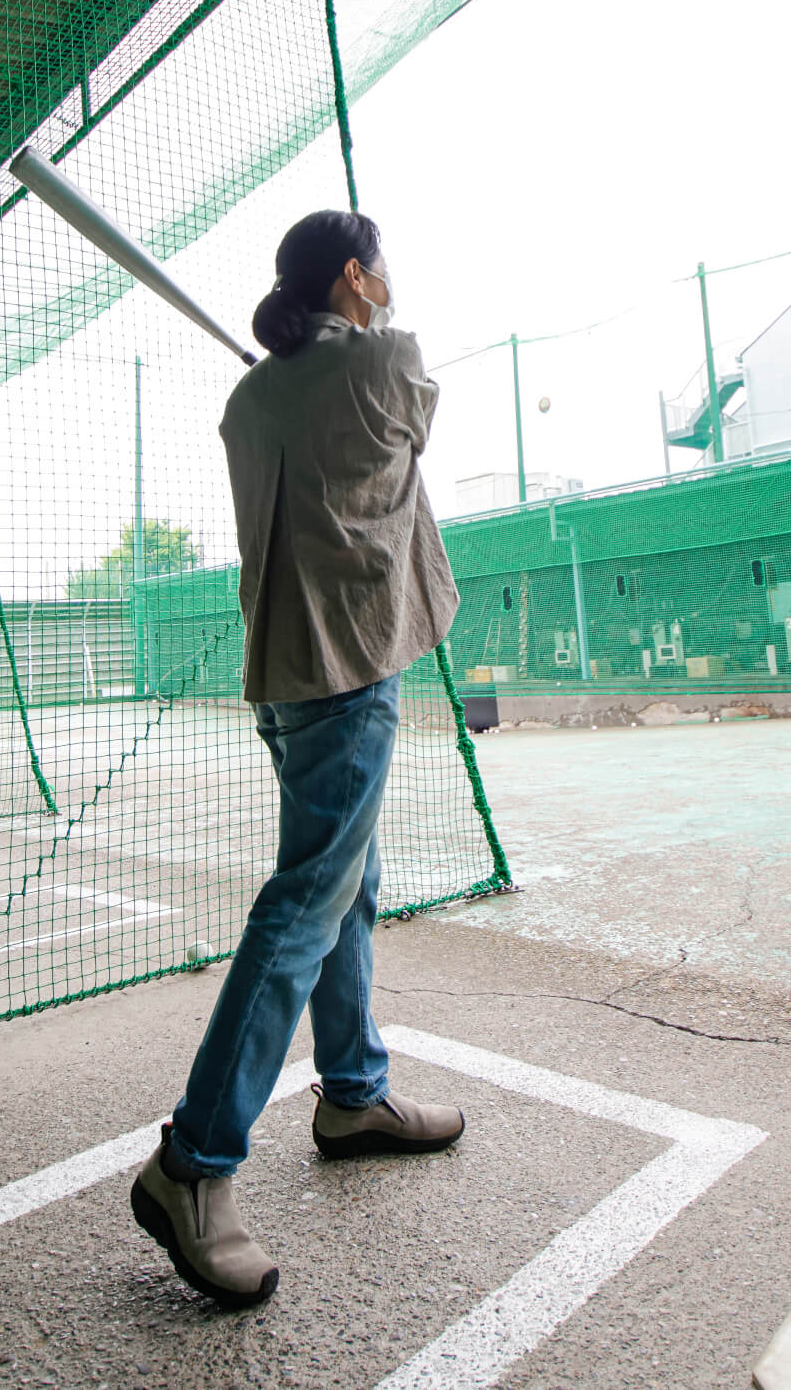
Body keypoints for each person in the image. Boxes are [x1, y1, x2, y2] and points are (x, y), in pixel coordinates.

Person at [130, 211, 464, 1308]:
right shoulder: (387, 357)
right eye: (383, 270)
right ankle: (194, 1165)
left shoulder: (249, 397)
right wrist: (360, 331)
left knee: (344, 887)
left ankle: (353, 1092)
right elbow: (407, 425)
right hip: (349, 672)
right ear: (357, 279)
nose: (394, 286)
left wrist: (316, 354)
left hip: (280, 677)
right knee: (304, 910)